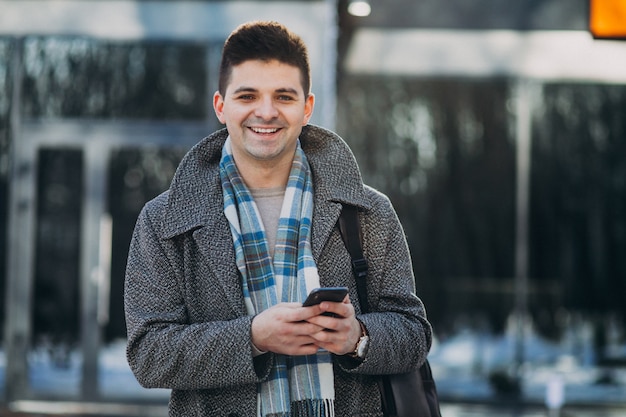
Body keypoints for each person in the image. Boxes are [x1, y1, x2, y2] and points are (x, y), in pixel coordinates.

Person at [124, 20, 432, 417]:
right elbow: (148, 354)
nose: (266, 112)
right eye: (248, 95)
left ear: (307, 108)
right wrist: (252, 338)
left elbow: (414, 334)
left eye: (284, 96)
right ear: (221, 106)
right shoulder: (166, 220)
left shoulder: (367, 212)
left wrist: (357, 337)